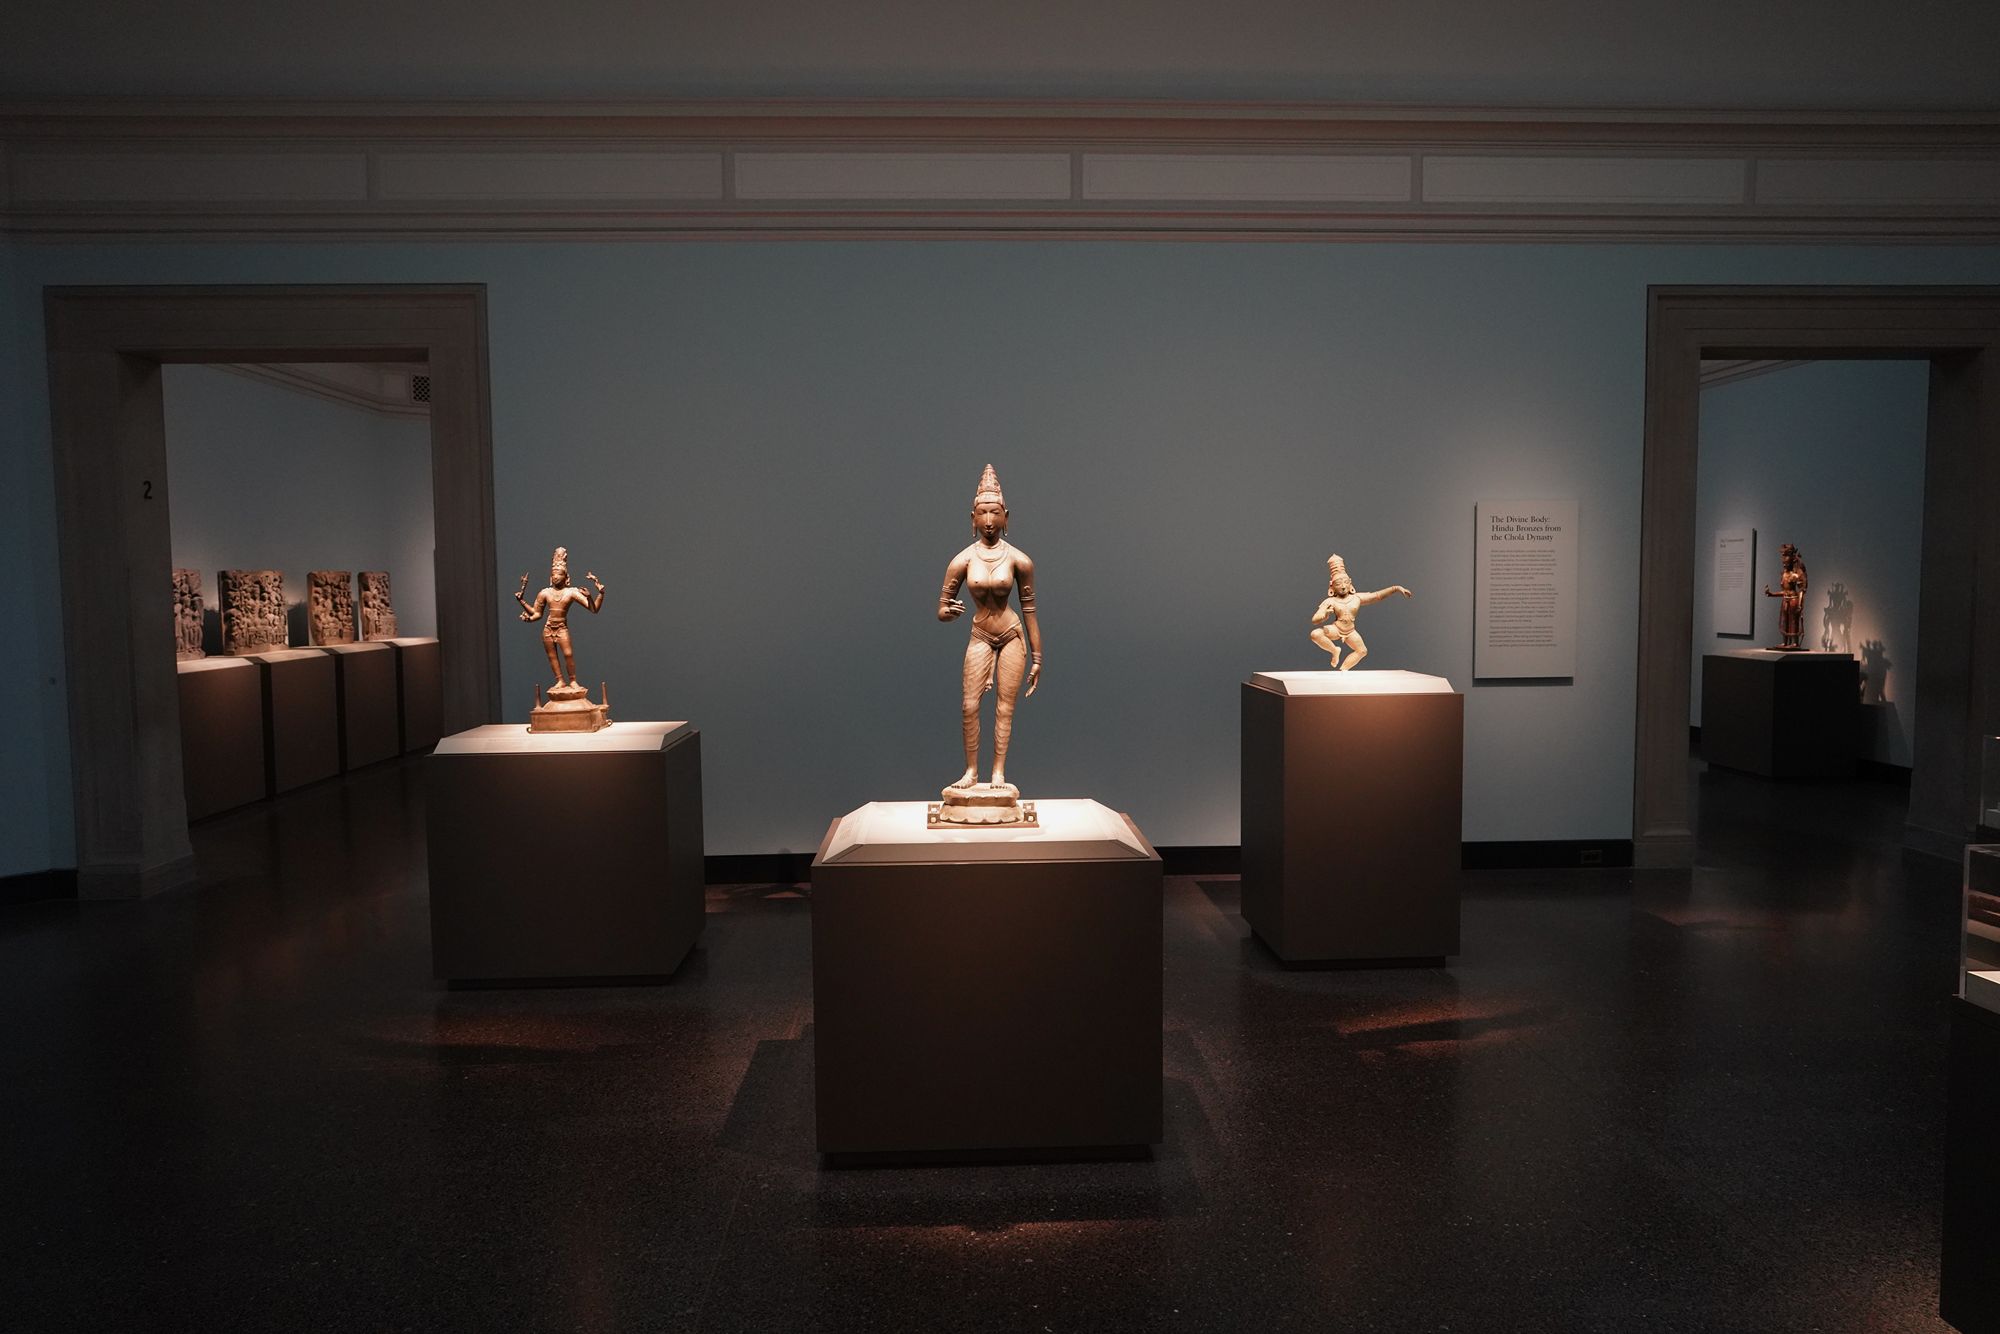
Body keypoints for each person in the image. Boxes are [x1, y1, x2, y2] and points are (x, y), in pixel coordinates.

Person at [937, 464, 1042, 793]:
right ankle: (971, 771)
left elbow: (1029, 609)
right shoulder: (963, 560)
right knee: (969, 705)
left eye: (995, 512)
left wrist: (1037, 657)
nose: (988, 520)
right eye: (982, 513)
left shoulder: (1019, 561)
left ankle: (998, 772)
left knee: (1005, 707)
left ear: (1006, 517)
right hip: (980, 634)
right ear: (972, 517)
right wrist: (949, 612)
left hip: (1011, 635)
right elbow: (942, 608)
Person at [516, 546, 606, 690]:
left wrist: (597, 595)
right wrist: (522, 603)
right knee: (552, 656)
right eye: (553, 574)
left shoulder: (571, 592)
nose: (556, 577)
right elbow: (537, 613)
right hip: (548, 629)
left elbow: (593, 609)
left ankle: (573, 680)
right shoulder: (545, 593)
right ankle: (560, 680)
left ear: (566, 577)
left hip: (561, 628)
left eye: (559, 574)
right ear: (550, 577)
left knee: (568, 654)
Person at [1309, 553, 1412, 669]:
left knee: (1362, 651)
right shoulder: (1330, 601)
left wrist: (1396, 588)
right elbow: (1315, 620)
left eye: (1346, 582)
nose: (1343, 586)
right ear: (1332, 586)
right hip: (1336, 629)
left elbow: (1377, 596)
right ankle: (1334, 651)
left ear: (1350, 583)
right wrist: (1325, 614)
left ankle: (1343, 670)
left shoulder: (1357, 598)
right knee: (1315, 634)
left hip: (1350, 631)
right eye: (1338, 584)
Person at [1763, 543, 1807, 650]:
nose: (1784, 561)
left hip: (1793, 601)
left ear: (1792, 559)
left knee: (1793, 621)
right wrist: (1771, 594)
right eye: (1783, 558)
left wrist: (1800, 604)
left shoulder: (1795, 575)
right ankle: (1785, 642)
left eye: (1786, 557)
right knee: (1784, 621)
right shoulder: (1784, 574)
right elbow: (1784, 592)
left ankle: (1795, 643)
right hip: (1785, 601)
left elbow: (1802, 589)